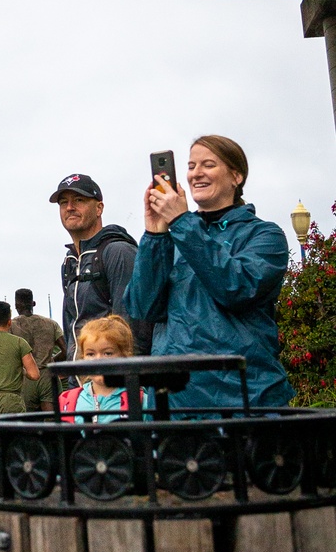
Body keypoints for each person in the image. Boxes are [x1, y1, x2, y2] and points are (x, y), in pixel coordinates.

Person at [124, 136, 294, 409]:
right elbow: (143, 308)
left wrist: (181, 221)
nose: (196, 173)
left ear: (236, 176)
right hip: (176, 402)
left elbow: (236, 289)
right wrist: (155, 235)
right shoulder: (175, 237)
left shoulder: (265, 235)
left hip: (245, 398)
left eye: (208, 164)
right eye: (191, 166)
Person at [52, 173, 145, 360]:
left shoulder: (118, 251)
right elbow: (71, 328)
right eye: (63, 202)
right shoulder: (70, 261)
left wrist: (125, 381)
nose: (70, 207)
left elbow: (132, 327)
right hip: (81, 381)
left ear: (99, 208)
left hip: (113, 380)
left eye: (79, 200)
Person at [58, 315, 134, 421]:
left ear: (124, 356)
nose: (98, 360)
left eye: (108, 353)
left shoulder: (139, 400)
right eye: (90, 354)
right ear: (82, 357)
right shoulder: (67, 401)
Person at [11, 289, 66, 411]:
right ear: (33, 303)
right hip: (47, 375)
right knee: (51, 419)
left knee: (29, 421)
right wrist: (52, 361)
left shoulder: (12, 326)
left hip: (26, 377)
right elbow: (66, 349)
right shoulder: (51, 324)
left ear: (16, 305)